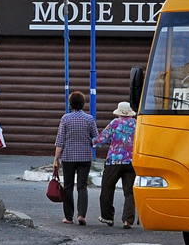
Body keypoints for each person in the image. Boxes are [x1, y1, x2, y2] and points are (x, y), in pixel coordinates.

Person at [53, 91, 98, 225]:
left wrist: (56, 159)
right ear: (83, 104)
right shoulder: (89, 119)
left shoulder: (65, 119)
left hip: (68, 157)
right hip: (85, 157)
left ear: (70, 104)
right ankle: (81, 215)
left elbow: (60, 141)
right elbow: (95, 139)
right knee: (82, 186)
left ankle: (68, 217)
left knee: (68, 186)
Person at [94, 101, 137, 229]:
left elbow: (102, 139)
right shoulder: (136, 124)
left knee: (107, 187)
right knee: (129, 192)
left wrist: (93, 143)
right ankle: (128, 220)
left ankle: (108, 217)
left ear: (119, 112)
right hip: (132, 161)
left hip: (114, 161)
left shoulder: (114, 123)